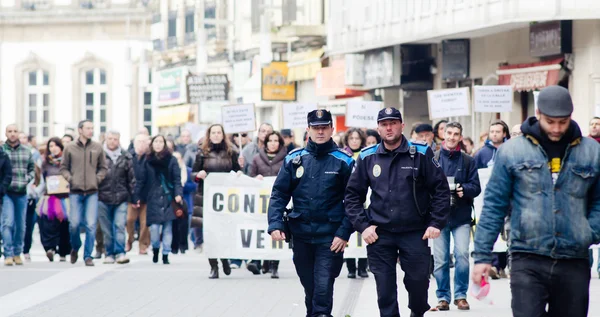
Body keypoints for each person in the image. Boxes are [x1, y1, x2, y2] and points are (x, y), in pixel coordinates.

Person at [472, 85, 600, 317]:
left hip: (574, 258)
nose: (556, 128)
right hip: (527, 256)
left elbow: (599, 201)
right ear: (538, 113)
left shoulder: (591, 152)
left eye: (562, 122)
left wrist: (589, 231)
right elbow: (494, 205)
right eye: (550, 121)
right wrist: (482, 255)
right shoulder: (512, 151)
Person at [344, 107, 450, 317]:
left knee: (419, 284)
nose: (389, 128)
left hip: (415, 231)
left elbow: (440, 190)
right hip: (380, 233)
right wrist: (363, 227)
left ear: (402, 125)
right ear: (378, 128)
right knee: (385, 291)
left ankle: (417, 312)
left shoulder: (421, 152)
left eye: (393, 123)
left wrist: (436, 223)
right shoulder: (367, 156)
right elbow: (352, 197)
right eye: (384, 124)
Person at [268, 109, 354, 317]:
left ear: (332, 129)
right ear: (308, 130)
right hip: (301, 235)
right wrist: (275, 224)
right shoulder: (294, 159)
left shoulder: (344, 161)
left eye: (324, 127)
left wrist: (344, 233)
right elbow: (279, 193)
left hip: (330, 237)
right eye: (316, 128)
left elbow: (354, 201)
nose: (321, 132)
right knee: (311, 289)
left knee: (323, 290)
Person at [432, 122, 481, 311]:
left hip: (461, 216)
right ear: (443, 134)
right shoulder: (433, 158)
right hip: (439, 217)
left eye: (456, 134)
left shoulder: (468, 160)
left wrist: (464, 190)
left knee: (462, 255)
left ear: (461, 137)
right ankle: (443, 297)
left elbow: (476, 187)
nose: (452, 137)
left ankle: (461, 295)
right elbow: (423, 186)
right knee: (441, 259)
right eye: (449, 133)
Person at [193, 124, 241, 278]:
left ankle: (224, 258)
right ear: (209, 135)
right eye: (213, 132)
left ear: (223, 134)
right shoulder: (202, 152)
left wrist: (239, 172)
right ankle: (213, 266)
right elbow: (193, 171)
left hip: (225, 197)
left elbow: (237, 169)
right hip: (206, 197)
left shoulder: (231, 151)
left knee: (224, 231)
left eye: (218, 132)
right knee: (210, 233)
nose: (216, 135)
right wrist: (198, 174)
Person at [60, 120, 108, 266]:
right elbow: (63, 168)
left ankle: (88, 256)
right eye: (88, 128)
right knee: (74, 224)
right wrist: (71, 178)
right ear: (80, 130)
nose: (91, 131)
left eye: (92, 128)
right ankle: (75, 247)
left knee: (91, 224)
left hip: (92, 192)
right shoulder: (70, 148)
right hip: (75, 191)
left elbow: (103, 168)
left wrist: (97, 179)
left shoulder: (97, 147)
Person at [136, 135, 183, 265]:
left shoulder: (172, 160)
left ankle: (166, 253)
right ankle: (156, 248)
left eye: (160, 142)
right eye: (155, 142)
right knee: (155, 229)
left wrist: (178, 193)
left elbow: (176, 179)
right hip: (153, 198)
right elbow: (141, 180)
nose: (158, 144)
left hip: (168, 198)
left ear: (164, 144)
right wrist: (138, 196)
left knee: (168, 228)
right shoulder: (147, 160)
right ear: (152, 144)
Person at [473, 119, 510, 279]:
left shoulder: (510, 150)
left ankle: (502, 264)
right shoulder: (482, 153)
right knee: (492, 227)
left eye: (497, 131)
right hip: (488, 198)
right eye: (492, 131)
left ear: (504, 133)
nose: (494, 134)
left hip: (509, 197)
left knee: (506, 231)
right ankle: (494, 264)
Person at [249, 131, 287, 278]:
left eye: (275, 140)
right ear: (265, 143)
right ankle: (260, 261)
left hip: (277, 202)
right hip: (261, 202)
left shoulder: (286, 159)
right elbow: (250, 177)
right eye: (270, 140)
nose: (273, 143)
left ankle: (274, 265)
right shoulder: (257, 159)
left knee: (277, 228)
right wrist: (255, 178)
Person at [97, 130, 136, 265]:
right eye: (110, 138)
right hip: (102, 196)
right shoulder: (98, 155)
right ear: (105, 139)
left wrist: (133, 197)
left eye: (115, 139)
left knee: (119, 225)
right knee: (106, 228)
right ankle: (109, 253)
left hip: (121, 196)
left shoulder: (126, 156)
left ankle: (120, 253)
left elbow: (131, 179)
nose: (112, 141)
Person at [2, 124, 35, 266]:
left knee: (21, 225)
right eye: (10, 131)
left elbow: (32, 169)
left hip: (21, 191)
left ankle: (17, 252)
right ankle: (8, 253)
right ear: (6, 133)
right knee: (8, 222)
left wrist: (26, 179)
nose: (13, 134)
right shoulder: (2, 150)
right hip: (6, 192)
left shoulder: (26, 151)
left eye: (15, 131)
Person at [37, 138, 71, 262]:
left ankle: (63, 251)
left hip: (65, 197)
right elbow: (41, 178)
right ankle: (50, 248)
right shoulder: (46, 162)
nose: (53, 148)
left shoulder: (67, 161)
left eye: (56, 145)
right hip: (50, 197)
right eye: (51, 146)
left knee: (64, 225)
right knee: (48, 224)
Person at [342, 128, 369, 279]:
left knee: (363, 230)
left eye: (357, 138)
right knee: (350, 235)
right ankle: (351, 267)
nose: (354, 141)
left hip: (364, 199)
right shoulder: (343, 156)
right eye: (351, 138)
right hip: (349, 199)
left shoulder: (366, 155)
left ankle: (363, 266)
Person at [126, 133, 151, 254]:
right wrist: (134, 197)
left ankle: (143, 244)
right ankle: (129, 239)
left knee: (145, 223)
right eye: (139, 141)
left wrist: (141, 197)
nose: (141, 144)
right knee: (129, 219)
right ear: (134, 143)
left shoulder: (150, 158)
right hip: (131, 195)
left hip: (146, 196)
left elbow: (150, 179)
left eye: (144, 142)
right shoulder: (129, 156)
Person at [171, 151, 193, 254]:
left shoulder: (188, 171)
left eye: (178, 158)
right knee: (174, 225)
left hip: (186, 200)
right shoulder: (169, 170)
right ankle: (174, 246)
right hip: (173, 202)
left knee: (184, 225)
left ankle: (183, 246)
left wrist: (183, 187)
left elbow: (194, 185)